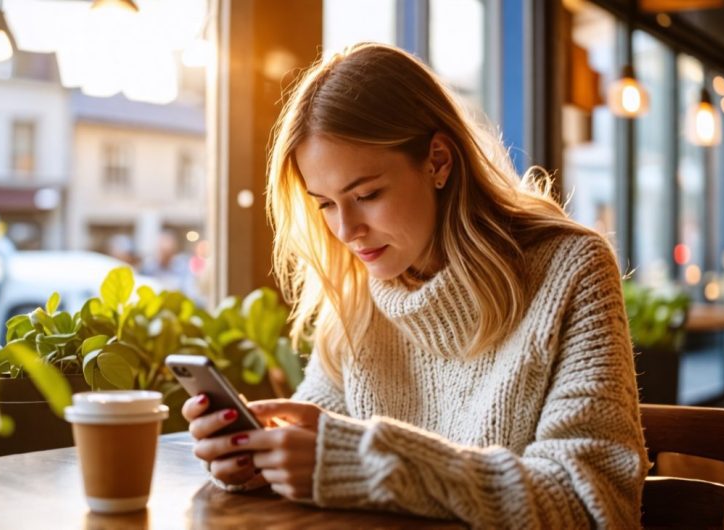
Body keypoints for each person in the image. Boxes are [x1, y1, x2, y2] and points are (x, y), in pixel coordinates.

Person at [182, 42, 649, 529]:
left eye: (366, 194)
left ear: (439, 161)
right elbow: (320, 444)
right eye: (324, 203)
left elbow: (591, 503)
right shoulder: (359, 289)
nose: (346, 231)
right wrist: (261, 458)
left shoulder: (570, 270)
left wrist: (368, 464)